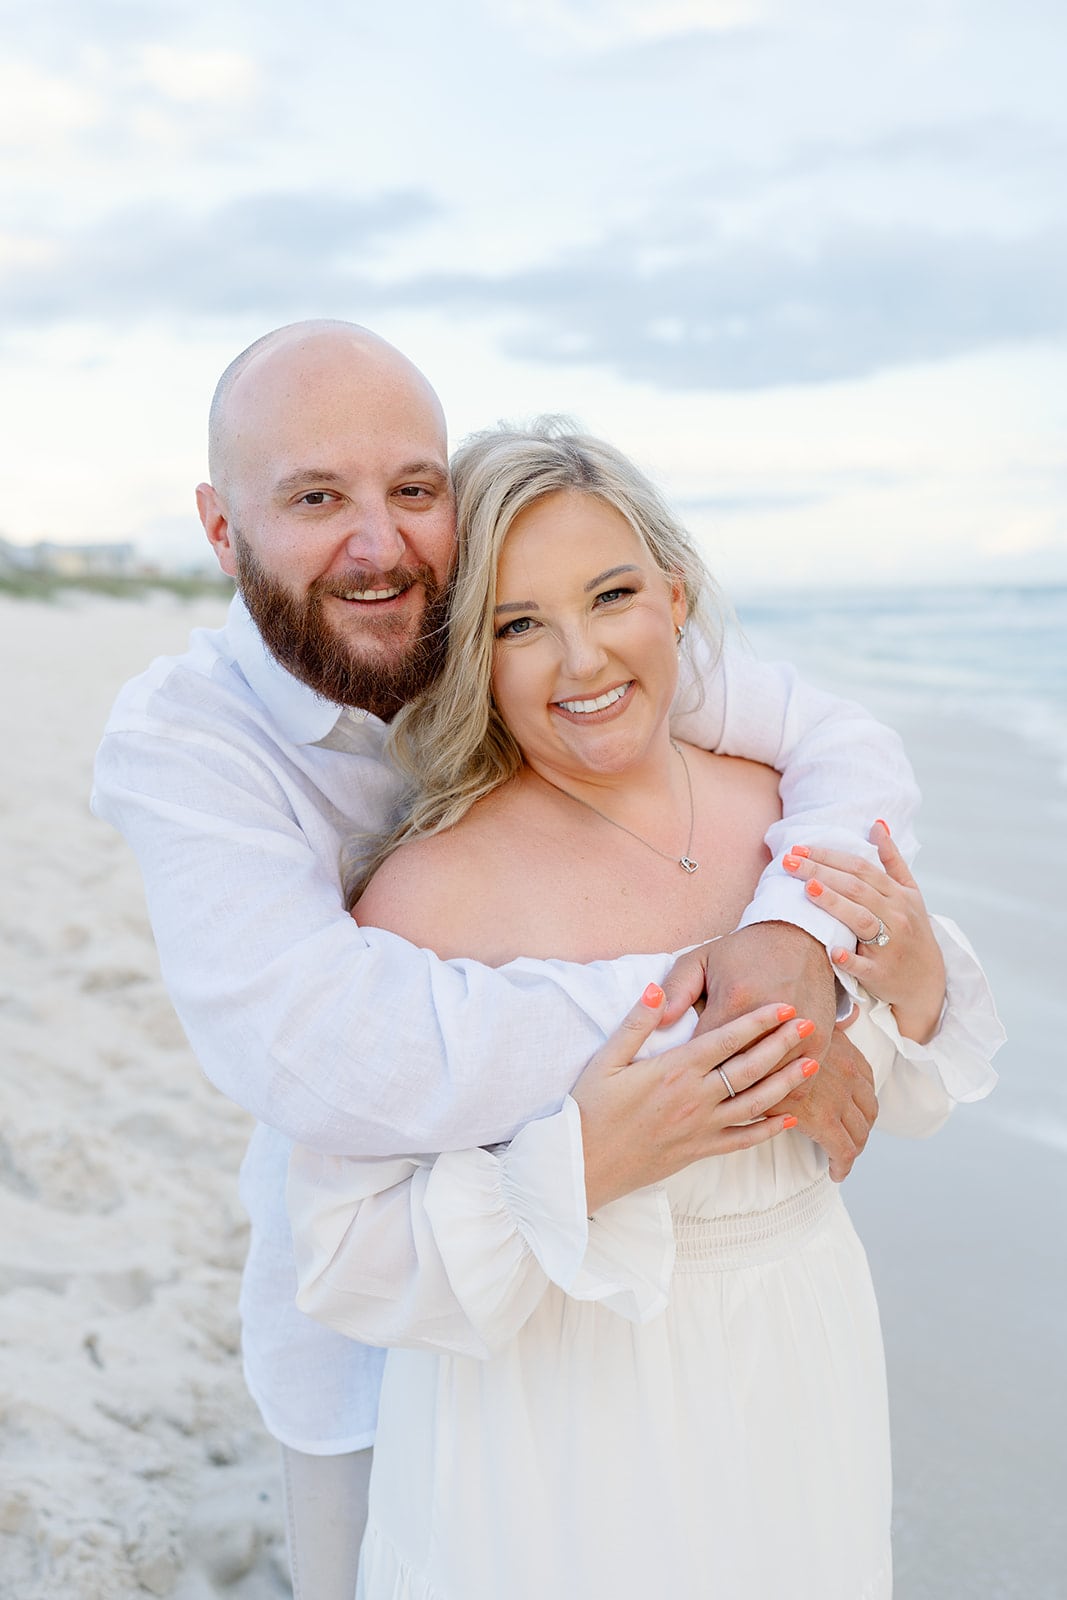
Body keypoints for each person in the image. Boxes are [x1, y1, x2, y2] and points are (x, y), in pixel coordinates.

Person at [93, 321, 926, 1600]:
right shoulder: (186, 742)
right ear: (221, 528)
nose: (377, 544)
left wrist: (791, 934)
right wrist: (745, 1033)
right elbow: (328, 1051)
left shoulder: (528, 633)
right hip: (379, 1329)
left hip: (690, 1333)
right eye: (315, 498)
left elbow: (836, 744)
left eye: (410, 488)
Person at [289, 422, 1002, 1600]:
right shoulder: (426, 893)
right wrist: (581, 1166)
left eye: (610, 595)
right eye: (518, 624)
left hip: (796, 1356)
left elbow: (904, 1099)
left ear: (673, 597)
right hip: (556, 1413)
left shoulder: (790, 822)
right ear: (467, 655)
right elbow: (344, 1256)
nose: (581, 661)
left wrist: (910, 983)